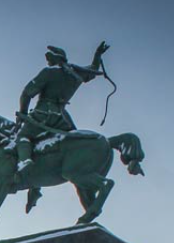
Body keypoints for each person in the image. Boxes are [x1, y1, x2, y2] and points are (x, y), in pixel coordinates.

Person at [15, 42, 110, 174]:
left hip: (43, 113)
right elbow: (93, 68)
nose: (48, 62)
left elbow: (27, 93)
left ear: (57, 59)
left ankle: (25, 162)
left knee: (23, 137)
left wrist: (23, 114)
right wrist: (97, 55)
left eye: (49, 59)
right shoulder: (76, 75)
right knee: (72, 141)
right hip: (62, 118)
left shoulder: (48, 72)